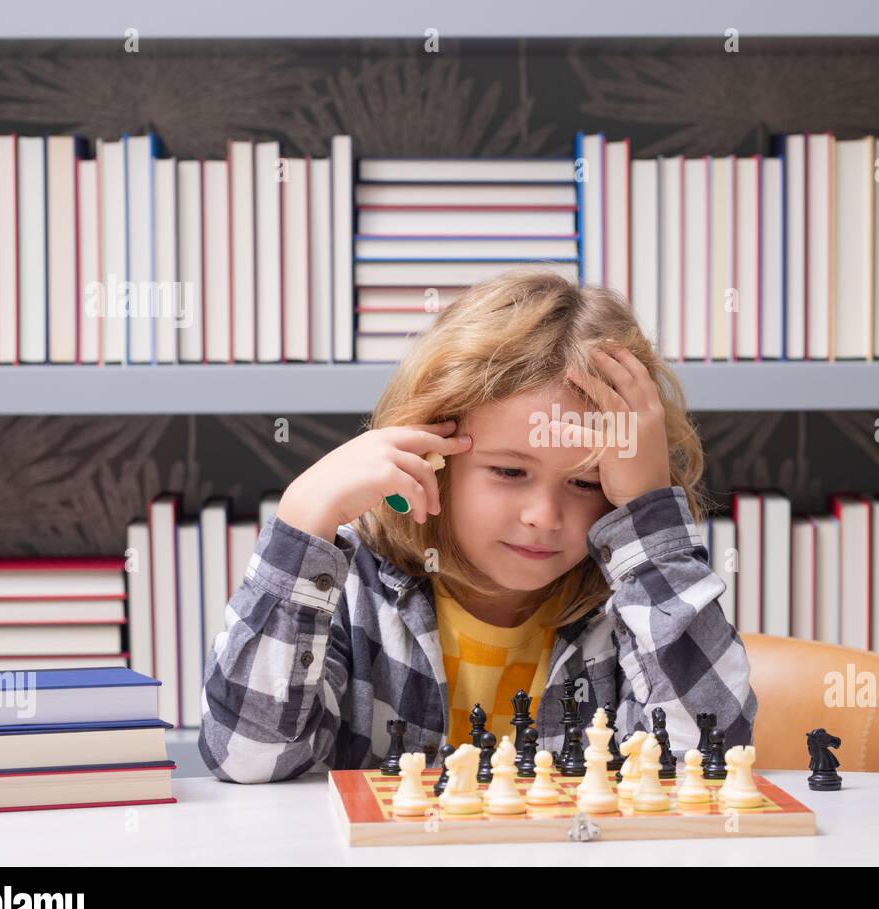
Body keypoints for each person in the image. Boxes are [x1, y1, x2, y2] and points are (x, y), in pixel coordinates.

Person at [198, 269, 757, 782]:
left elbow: (707, 757)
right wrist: (301, 520)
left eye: (586, 484)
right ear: (434, 458)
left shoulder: (628, 610)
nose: (543, 515)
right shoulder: (350, 593)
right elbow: (248, 757)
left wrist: (649, 513)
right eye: (510, 470)